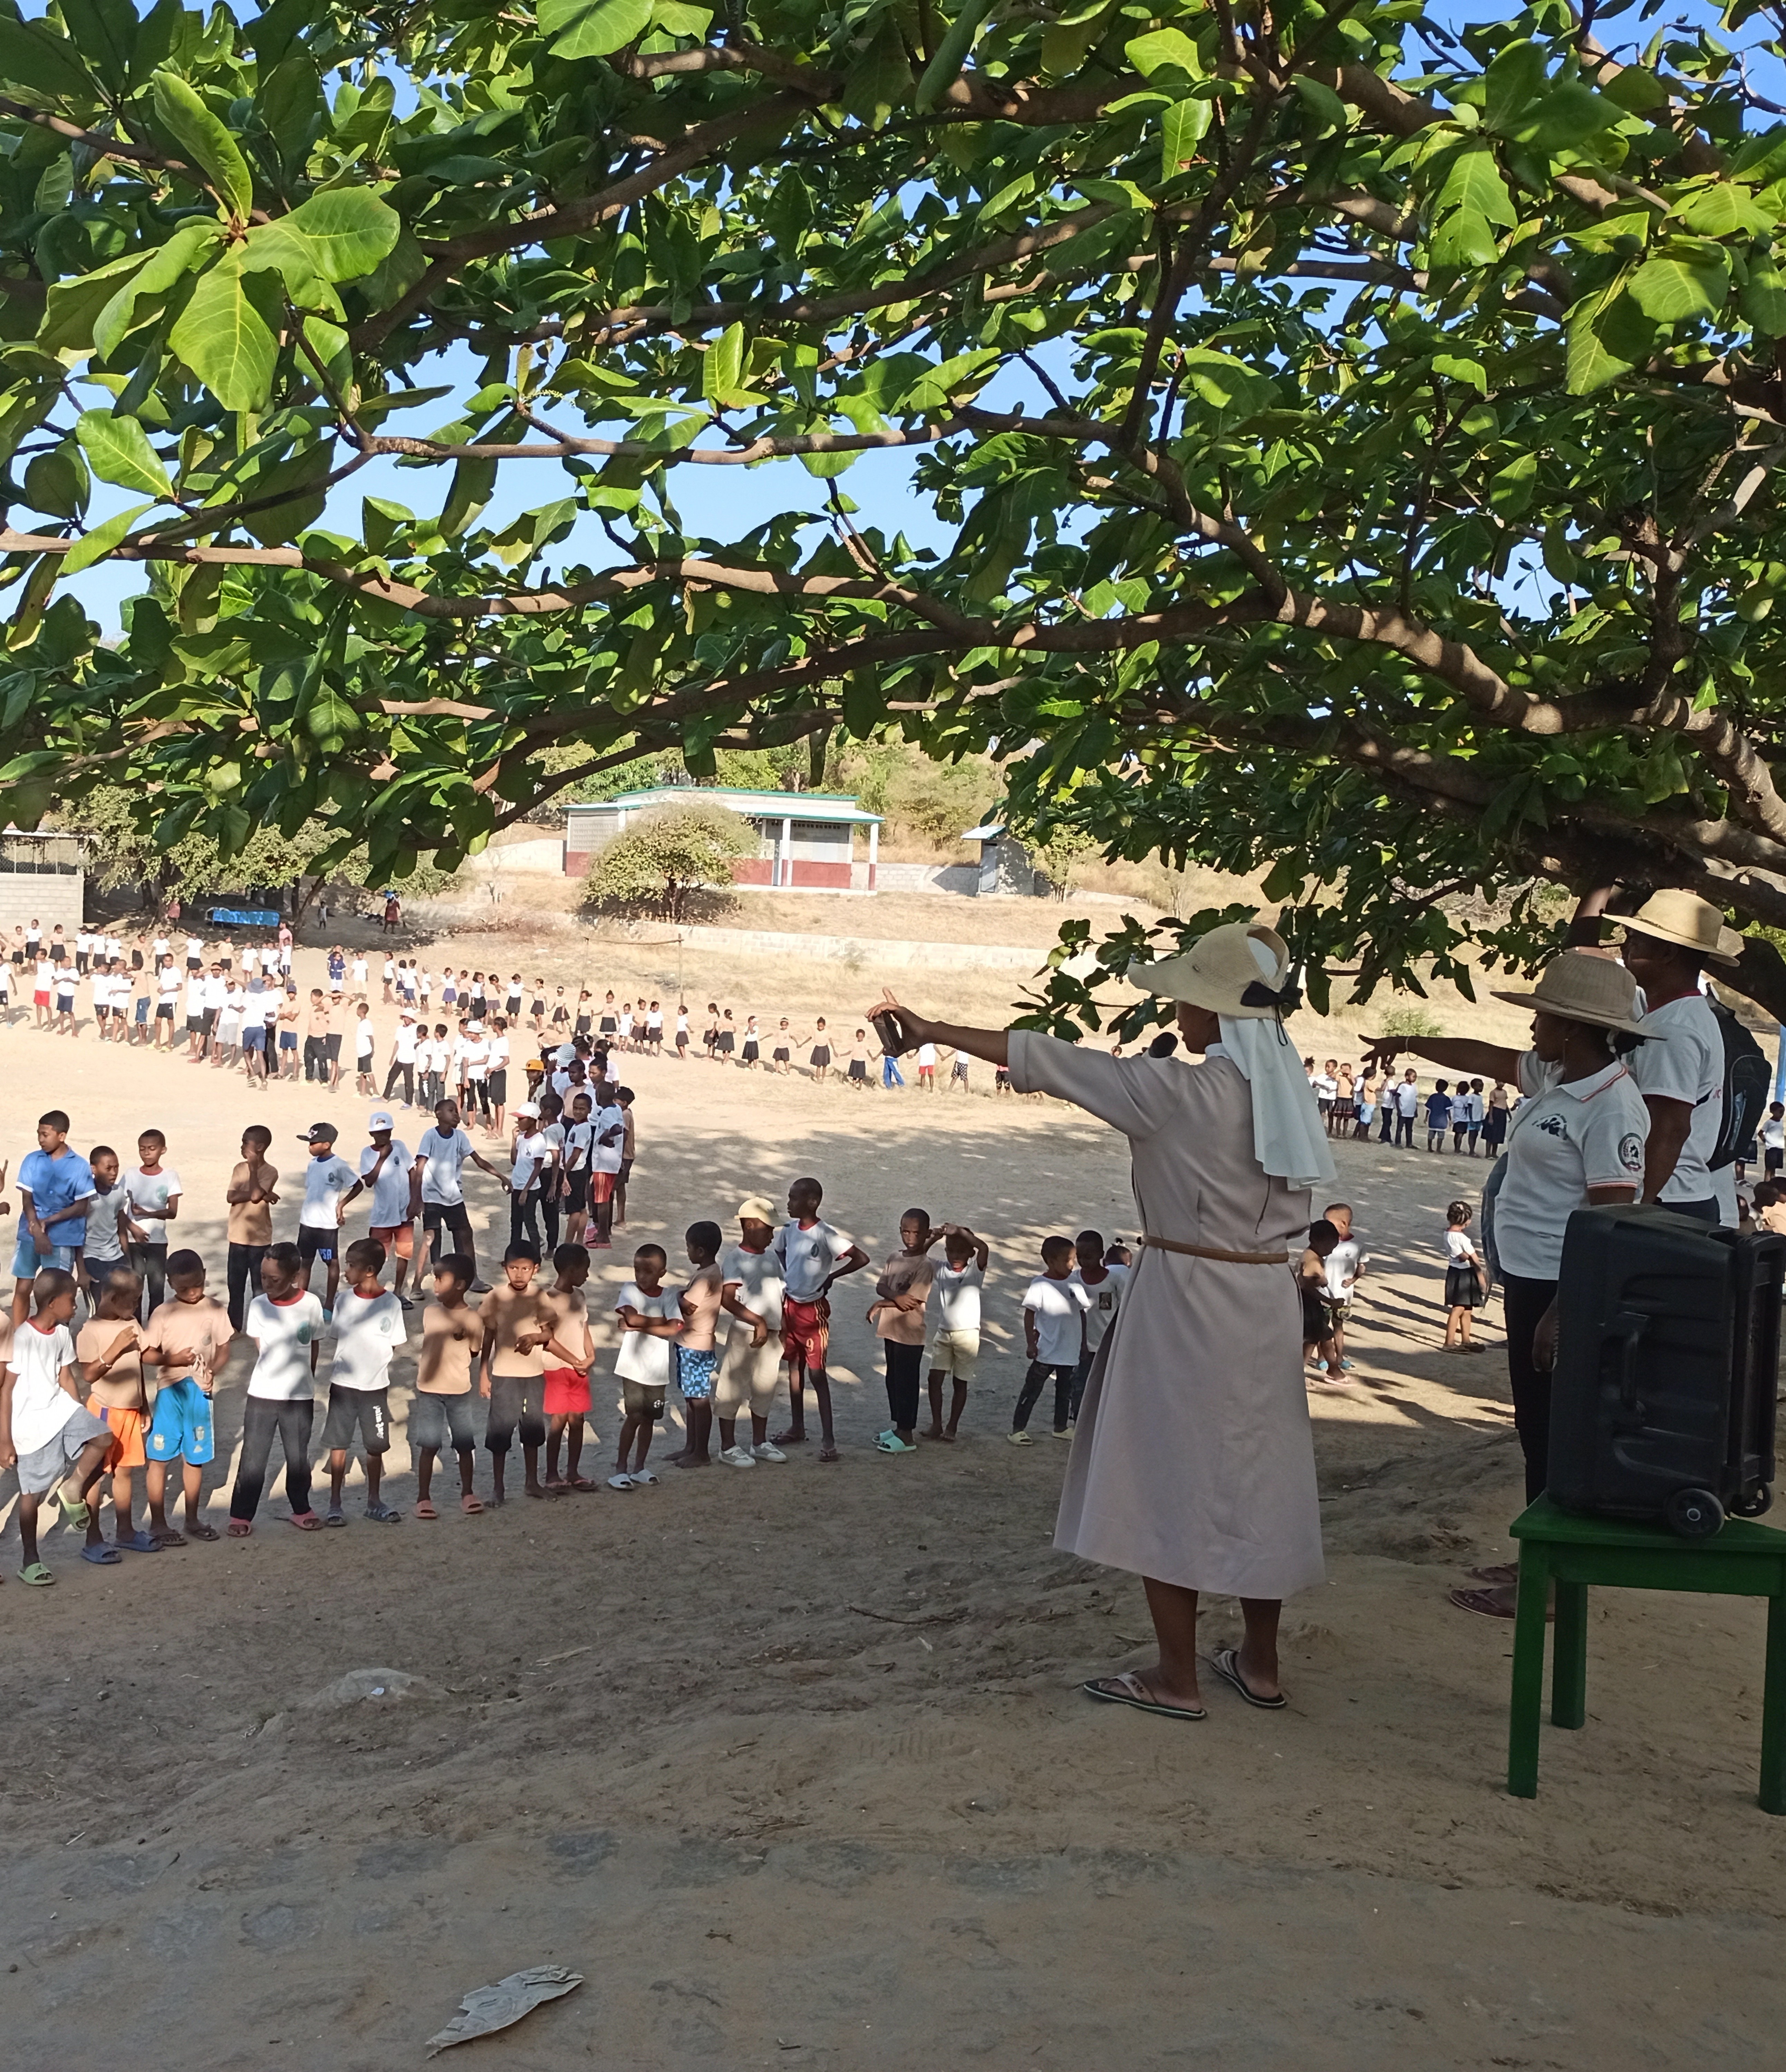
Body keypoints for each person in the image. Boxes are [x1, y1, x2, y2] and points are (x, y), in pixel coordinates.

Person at [869, 918, 1336, 1722]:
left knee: (1165, 1474)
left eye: (1191, 998)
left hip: (1188, 1295)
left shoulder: (1179, 1091)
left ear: (1215, 1013)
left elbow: (1047, 1059)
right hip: (1265, 1296)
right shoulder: (1287, 1092)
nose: (1180, 1013)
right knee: (1262, 1471)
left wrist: (934, 1027)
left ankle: (1177, 1675)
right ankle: (1260, 1662)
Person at [1362, 950, 1650, 1617]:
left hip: (1558, 1284)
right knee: (1535, 1426)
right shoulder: (1555, 1078)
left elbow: (1610, 1218)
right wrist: (1404, 1041)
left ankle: (1547, 1583)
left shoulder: (1609, 1105)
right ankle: (1540, 1556)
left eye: (1542, 1015)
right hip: (1530, 1278)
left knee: (1551, 1432)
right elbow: (1481, 1056)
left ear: (1573, 1027)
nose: (1531, 1027)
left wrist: (1563, 1308)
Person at [1570, 886, 1740, 1222]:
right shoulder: (1673, 1014)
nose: (1624, 946)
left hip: (1665, 1199)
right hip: (1673, 1196)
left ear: (1667, 955)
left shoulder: (1674, 1029)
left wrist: (1637, 1205)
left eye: (1635, 939)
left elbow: (1669, 1126)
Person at [0, 1269, 115, 1582]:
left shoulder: (63, 1333)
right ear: (52, 1303)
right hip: (30, 1422)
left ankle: (72, 1486)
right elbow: (7, 1390)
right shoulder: (23, 1339)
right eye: (72, 1300)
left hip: (60, 1409)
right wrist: (5, 1440)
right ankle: (30, 1560)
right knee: (32, 1494)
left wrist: (80, 1412)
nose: (76, 1306)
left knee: (103, 1436)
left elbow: (65, 1377)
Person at [229, 1243, 325, 1535]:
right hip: (263, 1394)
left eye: (275, 1280)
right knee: (253, 1457)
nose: (267, 1285)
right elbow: (261, 1348)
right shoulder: (259, 1305)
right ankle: (241, 1514)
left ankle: (301, 1507)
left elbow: (314, 1345)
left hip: (299, 1395)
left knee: (298, 1458)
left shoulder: (311, 1304)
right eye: (264, 1278)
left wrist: (306, 1378)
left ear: (295, 1276)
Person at [141, 1248, 234, 1546]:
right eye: (184, 1288)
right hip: (170, 1392)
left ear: (205, 1276)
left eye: (198, 1285)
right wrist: (173, 1360)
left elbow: (224, 1348)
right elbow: (147, 1354)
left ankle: (192, 1519)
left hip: (201, 1394)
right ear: (170, 1283)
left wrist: (214, 1372)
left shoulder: (216, 1310)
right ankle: (158, 1523)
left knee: (195, 1458)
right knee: (159, 1457)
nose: (193, 1293)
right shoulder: (163, 1313)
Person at [772, 1177, 869, 1461]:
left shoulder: (826, 1235)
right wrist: (788, 1274)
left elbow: (860, 1258)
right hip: (790, 1306)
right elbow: (779, 1251)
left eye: (793, 1198)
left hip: (813, 1311)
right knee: (794, 1368)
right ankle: (797, 1426)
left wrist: (831, 1277)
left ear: (812, 1202)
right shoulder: (788, 1231)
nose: (788, 1203)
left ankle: (828, 1439)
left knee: (817, 1374)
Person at [320, 1237, 406, 1525]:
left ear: (369, 1270)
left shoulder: (391, 1304)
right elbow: (339, 1337)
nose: (346, 1271)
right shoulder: (344, 1301)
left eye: (351, 1265)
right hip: (344, 1385)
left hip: (375, 1387)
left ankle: (374, 1500)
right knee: (338, 1443)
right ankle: (335, 1502)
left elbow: (393, 1343)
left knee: (376, 1446)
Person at [78, 1264, 158, 1554]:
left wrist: (144, 1405)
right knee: (96, 1476)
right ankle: (93, 1539)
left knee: (124, 1473)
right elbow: (89, 1374)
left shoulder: (132, 1323)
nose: (137, 1305)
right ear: (112, 1297)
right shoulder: (91, 1330)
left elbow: (139, 1363)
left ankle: (125, 1531)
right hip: (105, 1412)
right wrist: (115, 1348)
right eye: (134, 1300)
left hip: (130, 1411)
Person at [715, 1197, 788, 1468]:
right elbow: (728, 1299)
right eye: (768, 1229)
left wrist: (784, 1329)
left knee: (765, 1388)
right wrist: (756, 1321)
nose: (772, 1235)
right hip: (745, 1333)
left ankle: (759, 1442)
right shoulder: (736, 1260)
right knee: (732, 1388)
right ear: (749, 1226)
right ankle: (728, 1446)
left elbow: (781, 1294)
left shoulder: (772, 1257)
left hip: (772, 1334)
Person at [412, 1252, 485, 1518]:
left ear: (460, 1285)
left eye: (440, 1279)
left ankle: (468, 1493)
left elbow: (476, 1350)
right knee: (429, 1445)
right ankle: (423, 1498)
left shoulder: (474, 1319)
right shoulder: (430, 1313)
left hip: (459, 1390)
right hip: (430, 1390)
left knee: (464, 1444)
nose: (435, 1285)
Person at [480, 1241, 553, 1504]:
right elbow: (488, 1335)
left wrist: (536, 1337)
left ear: (536, 1269)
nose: (519, 1274)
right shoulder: (495, 1297)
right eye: (513, 1268)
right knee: (500, 1432)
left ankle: (532, 1482)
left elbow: (548, 1333)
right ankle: (498, 1489)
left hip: (533, 1374)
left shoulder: (539, 1296)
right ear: (504, 1268)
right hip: (504, 1374)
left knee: (532, 1431)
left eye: (525, 1269)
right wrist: (483, 1373)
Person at [412, 1098, 509, 1289]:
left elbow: (479, 1161)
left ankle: (471, 1277)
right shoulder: (430, 1136)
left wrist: (502, 1177)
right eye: (451, 1111)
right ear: (439, 1115)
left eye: (457, 1111)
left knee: (465, 1234)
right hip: (432, 1196)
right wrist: (417, 1199)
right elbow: (420, 1167)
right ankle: (426, 1280)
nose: (456, 1114)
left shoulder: (460, 1137)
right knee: (432, 1238)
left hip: (453, 1196)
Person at [14, 1110, 95, 1328]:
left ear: (62, 1136)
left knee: (59, 1292)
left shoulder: (79, 1166)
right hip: (30, 1234)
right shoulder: (32, 1160)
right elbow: (27, 1199)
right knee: (23, 1287)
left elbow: (81, 1207)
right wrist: (37, 1230)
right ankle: (19, 1340)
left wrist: (47, 1222)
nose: (40, 1139)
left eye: (45, 1134)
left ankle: (55, 1341)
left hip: (62, 1238)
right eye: (39, 1134)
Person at [611, 1243, 681, 1489]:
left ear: (662, 1272)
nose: (641, 1277)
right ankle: (621, 1468)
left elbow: (673, 1329)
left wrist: (639, 1326)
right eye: (637, 1270)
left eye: (648, 1272)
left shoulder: (668, 1294)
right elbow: (633, 1317)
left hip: (657, 1369)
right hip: (632, 1367)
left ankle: (639, 1467)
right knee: (634, 1415)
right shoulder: (630, 1289)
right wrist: (659, 1321)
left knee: (651, 1418)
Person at [1011, 1235, 1091, 1443]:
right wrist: (1031, 1343)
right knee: (1032, 1390)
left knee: (1065, 1392)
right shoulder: (1040, 1284)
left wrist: (1083, 1344)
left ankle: (1061, 1427)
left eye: (1073, 1259)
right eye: (1068, 1260)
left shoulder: (1074, 1282)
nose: (1073, 1265)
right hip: (1046, 1350)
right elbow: (1029, 1314)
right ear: (1051, 1261)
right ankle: (1017, 1429)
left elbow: (1082, 1312)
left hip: (1070, 1350)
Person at [867, 1208, 934, 1453]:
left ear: (926, 1234)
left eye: (917, 1233)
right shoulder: (894, 1257)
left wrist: (882, 1302)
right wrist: (892, 1296)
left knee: (907, 1383)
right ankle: (898, 1427)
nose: (911, 1238)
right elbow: (881, 1286)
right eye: (906, 1231)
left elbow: (911, 1302)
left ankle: (907, 1435)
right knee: (893, 1380)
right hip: (891, 1330)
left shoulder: (925, 1266)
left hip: (910, 1335)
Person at [540, 1242, 596, 1491]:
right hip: (556, 1368)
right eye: (584, 1270)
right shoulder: (548, 1300)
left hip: (578, 1368)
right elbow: (548, 1341)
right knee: (558, 1420)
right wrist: (575, 1361)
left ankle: (573, 1471)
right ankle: (552, 1473)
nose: (587, 1276)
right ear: (571, 1270)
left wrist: (590, 1356)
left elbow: (584, 1328)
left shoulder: (580, 1297)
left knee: (578, 1419)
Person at [668, 1221, 724, 1468]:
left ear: (700, 1251)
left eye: (689, 1248)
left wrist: (677, 1296)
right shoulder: (709, 1272)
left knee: (698, 1399)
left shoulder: (706, 1276)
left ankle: (701, 1451)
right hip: (691, 1342)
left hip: (696, 1345)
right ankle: (692, 1446)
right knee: (691, 1397)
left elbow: (689, 1305)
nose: (687, 1252)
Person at [295, 1121, 357, 1316]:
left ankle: (329, 1304)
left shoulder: (339, 1165)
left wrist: (341, 1205)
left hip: (326, 1226)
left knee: (331, 1262)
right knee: (305, 1262)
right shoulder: (312, 1164)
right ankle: (301, 1301)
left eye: (313, 1143)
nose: (310, 1147)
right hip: (307, 1223)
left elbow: (357, 1185)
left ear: (327, 1144)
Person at [355, 1111, 416, 1308]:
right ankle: (372, 1290)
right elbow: (370, 1181)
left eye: (387, 1132)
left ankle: (398, 1292)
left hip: (404, 1211)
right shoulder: (367, 1153)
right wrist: (382, 1159)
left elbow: (412, 1171)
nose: (384, 1136)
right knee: (375, 1255)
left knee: (404, 1253)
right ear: (372, 1134)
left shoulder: (400, 1146)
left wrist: (416, 1200)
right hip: (383, 1214)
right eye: (379, 1133)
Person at [1069, 1228, 1128, 1424]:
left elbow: (1124, 1309)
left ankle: (1107, 1420)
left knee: (1107, 1384)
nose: (1084, 1261)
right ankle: (1079, 1420)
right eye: (1080, 1257)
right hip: (1082, 1345)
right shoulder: (1074, 1280)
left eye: (1089, 1256)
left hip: (1108, 1344)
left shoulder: (1115, 1279)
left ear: (1101, 1256)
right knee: (1080, 1384)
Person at [225, 1126, 279, 1333]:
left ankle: (259, 1327)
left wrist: (255, 1173)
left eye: (246, 1143)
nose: (242, 1147)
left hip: (259, 1240)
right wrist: (265, 1195)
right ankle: (234, 1328)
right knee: (235, 1286)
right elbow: (232, 1197)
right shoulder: (239, 1169)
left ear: (261, 1147)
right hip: (238, 1237)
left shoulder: (271, 1172)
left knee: (260, 1288)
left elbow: (255, 1196)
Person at [123, 1128, 181, 1315]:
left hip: (157, 1241)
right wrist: (133, 1228)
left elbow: (173, 1212)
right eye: (142, 1149)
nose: (147, 1153)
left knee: (157, 1289)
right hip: (134, 1241)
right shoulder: (131, 1175)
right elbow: (118, 1208)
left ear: (163, 1150)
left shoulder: (170, 1176)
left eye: (152, 1148)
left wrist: (146, 1214)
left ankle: (156, 1330)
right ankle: (137, 1329)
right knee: (135, 1288)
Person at [1321, 1201, 1363, 1372]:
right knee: (1323, 1327)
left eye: (1329, 1223)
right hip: (1324, 1294)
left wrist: (1354, 1280)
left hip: (1344, 1295)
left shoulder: (1357, 1246)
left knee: (1339, 1326)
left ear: (1344, 1224)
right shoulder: (1324, 1244)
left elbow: (1362, 1266)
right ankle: (1322, 1357)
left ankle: (1340, 1357)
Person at [1442, 1201, 1487, 1353]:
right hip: (1464, 1274)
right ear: (1466, 1222)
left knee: (1467, 1309)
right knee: (1459, 1308)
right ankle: (1449, 1342)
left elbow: (1460, 1256)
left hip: (1455, 1273)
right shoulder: (1463, 1239)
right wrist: (1481, 1279)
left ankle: (1465, 1340)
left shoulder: (1447, 1234)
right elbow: (1470, 1258)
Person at [1424, 1078, 1452, 1152]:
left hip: (1433, 1119)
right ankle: (1438, 1149)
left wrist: (1426, 1118)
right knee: (1441, 1136)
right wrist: (1450, 1119)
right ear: (1446, 1089)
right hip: (1442, 1121)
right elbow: (1448, 1110)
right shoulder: (1446, 1099)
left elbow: (1428, 1109)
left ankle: (1429, 1148)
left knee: (1431, 1135)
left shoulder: (1432, 1097)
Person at [1393, 1069, 1419, 1147]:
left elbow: (1415, 1099)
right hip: (1403, 1111)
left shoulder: (1414, 1087)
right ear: (1407, 1077)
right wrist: (1399, 1110)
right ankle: (1398, 1143)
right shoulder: (1403, 1086)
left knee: (1410, 1129)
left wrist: (1416, 1110)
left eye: (1416, 1077)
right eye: (1413, 1077)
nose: (1415, 1078)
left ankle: (1409, 1144)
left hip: (1411, 1112)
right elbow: (1397, 1098)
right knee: (1400, 1129)